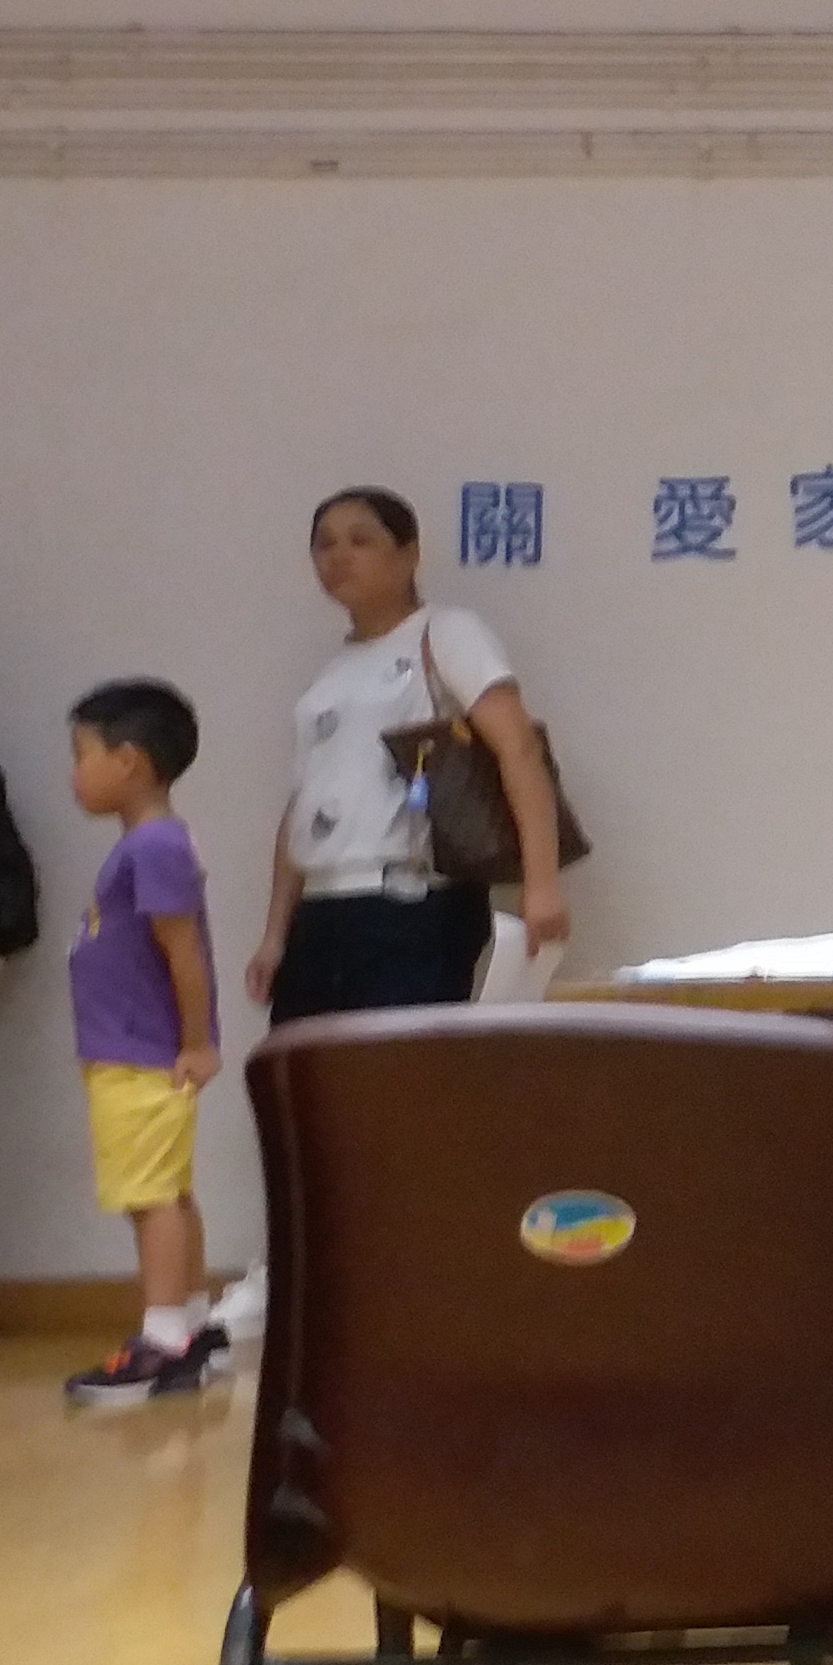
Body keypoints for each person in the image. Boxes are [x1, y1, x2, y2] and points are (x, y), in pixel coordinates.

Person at [249, 488, 567, 1024]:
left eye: (360, 541)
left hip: (415, 902)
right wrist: (275, 935)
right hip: (321, 910)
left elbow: (518, 748)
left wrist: (542, 885)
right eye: (324, 544)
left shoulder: (446, 633)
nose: (338, 557)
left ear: (409, 554)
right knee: (307, 1069)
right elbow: (302, 804)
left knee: (398, 1068)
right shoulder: (329, 675)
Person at [57, 680, 232, 1408]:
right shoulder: (147, 845)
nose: (74, 773)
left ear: (128, 760)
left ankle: (162, 1341)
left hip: (142, 1054)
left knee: (150, 1195)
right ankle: (191, 1323)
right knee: (168, 1189)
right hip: (132, 1050)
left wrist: (196, 1042)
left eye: (82, 754)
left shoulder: (154, 846)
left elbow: (182, 950)